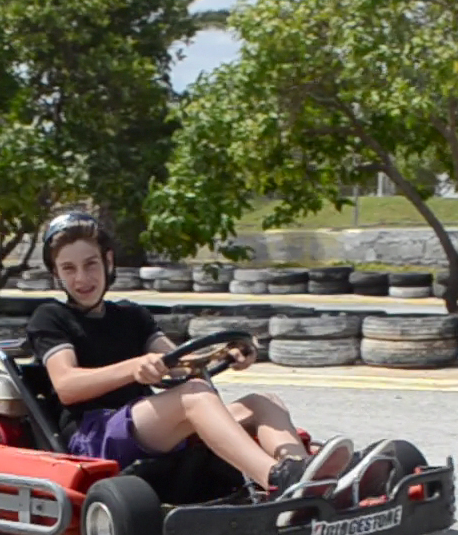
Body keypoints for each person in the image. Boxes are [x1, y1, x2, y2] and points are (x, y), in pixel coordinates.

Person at [24, 211, 351, 499]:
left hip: (143, 424)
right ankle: (279, 482)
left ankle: (302, 474)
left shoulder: (132, 316)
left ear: (108, 261)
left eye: (90, 264)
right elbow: (66, 384)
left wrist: (228, 352)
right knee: (194, 396)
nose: (82, 278)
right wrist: (134, 368)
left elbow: (180, 363)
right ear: (57, 274)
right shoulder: (51, 317)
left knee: (264, 402)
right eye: (69, 268)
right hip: (94, 435)